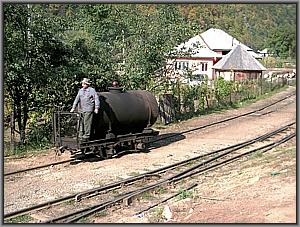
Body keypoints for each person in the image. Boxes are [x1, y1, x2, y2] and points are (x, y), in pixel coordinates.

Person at [70, 78, 100, 142]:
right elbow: (77, 99)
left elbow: (96, 99)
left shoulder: (92, 90)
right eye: (82, 84)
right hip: (81, 109)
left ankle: (87, 135)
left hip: (88, 109)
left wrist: (96, 108)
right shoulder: (80, 91)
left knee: (87, 123)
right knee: (80, 122)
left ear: (87, 84)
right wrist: (73, 107)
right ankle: (80, 135)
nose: (82, 85)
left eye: (84, 84)